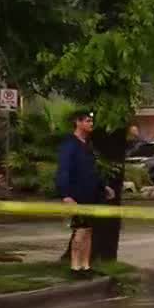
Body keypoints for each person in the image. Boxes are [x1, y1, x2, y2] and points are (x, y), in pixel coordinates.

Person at [55, 110, 113, 276]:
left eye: (91, 121)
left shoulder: (88, 145)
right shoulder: (69, 145)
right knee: (80, 230)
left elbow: (92, 171)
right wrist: (65, 195)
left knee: (88, 230)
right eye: (87, 121)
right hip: (76, 194)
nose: (90, 124)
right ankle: (75, 267)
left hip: (92, 194)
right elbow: (63, 171)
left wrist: (104, 187)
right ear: (78, 122)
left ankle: (85, 266)